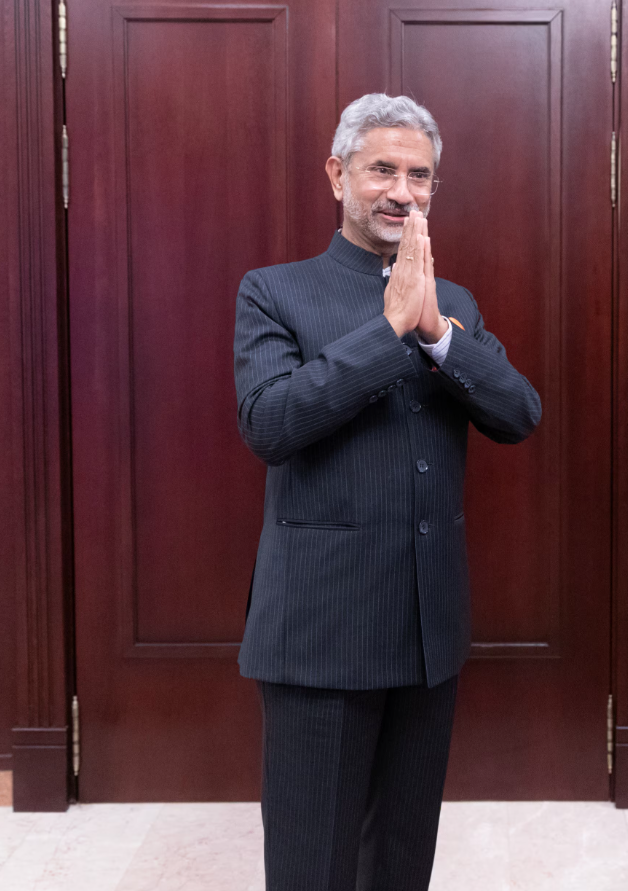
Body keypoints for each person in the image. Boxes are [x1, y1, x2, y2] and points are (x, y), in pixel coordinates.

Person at [233, 93, 541, 891]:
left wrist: (438, 333)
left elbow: (518, 414)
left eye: (420, 175)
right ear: (338, 175)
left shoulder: (457, 304)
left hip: (426, 628)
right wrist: (390, 329)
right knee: (313, 864)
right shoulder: (273, 291)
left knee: (402, 860)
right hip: (319, 632)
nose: (402, 190)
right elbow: (270, 422)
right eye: (382, 170)